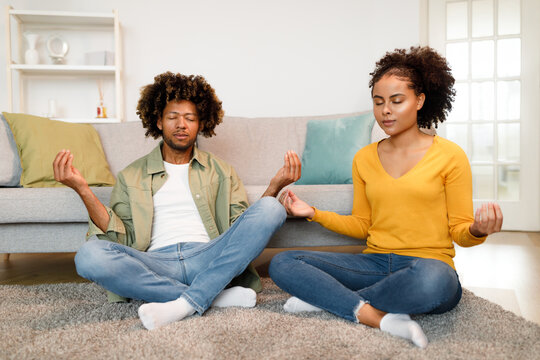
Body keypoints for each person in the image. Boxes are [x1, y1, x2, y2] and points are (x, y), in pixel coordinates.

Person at [269, 46, 503, 348]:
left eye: (396, 100)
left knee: (437, 281)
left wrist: (477, 230)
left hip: (426, 265)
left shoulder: (450, 156)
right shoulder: (364, 158)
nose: (385, 111)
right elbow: (363, 224)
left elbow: (460, 231)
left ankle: (332, 300)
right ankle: (373, 314)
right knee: (284, 263)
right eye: (378, 102)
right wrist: (312, 212)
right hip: (375, 265)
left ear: (419, 100)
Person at [53, 72, 301, 330]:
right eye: (172, 117)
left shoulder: (221, 170)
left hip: (209, 257)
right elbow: (120, 240)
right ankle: (212, 296)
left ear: (200, 123)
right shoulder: (130, 175)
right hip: (156, 264)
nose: (181, 124)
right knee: (88, 256)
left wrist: (275, 186)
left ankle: (185, 298)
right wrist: (82, 189)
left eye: (190, 118)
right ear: (158, 121)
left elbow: (240, 232)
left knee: (272, 208)